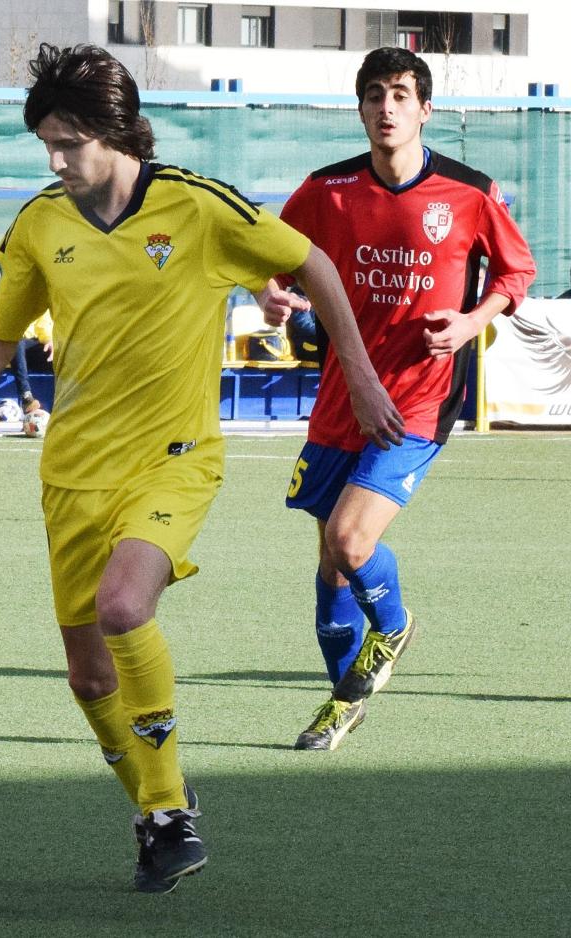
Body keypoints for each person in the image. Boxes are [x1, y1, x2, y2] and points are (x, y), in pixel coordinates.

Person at [0, 44, 401, 895]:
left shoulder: (197, 207)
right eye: (45, 146)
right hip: (73, 475)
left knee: (127, 604)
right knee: (90, 677)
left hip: (174, 460)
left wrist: (353, 368)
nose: (55, 162)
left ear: (115, 131)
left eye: (68, 144)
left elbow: (310, 261)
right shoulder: (40, 223)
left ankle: (168, 813)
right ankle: (156, 806)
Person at [256, 47, 535, 751]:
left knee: (354, 539)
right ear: (360, 108)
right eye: (375, 94)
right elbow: (274, 251)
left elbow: (516, 268)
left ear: (425, 109)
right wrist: (270, 290)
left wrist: (473, 321)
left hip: (419, 398)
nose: (388, 107)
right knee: (329, 561)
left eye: (402, 95)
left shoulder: (469, 193)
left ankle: (396, 625)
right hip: (341, 396)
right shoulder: (329, 190)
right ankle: (344, 700)